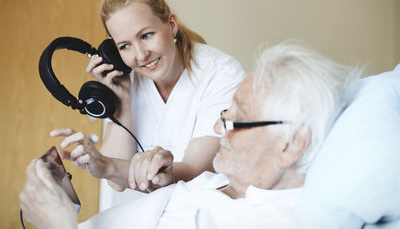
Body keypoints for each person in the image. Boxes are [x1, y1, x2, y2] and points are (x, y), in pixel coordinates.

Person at [20, 41, 360, 228]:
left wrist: (57, 224)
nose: (217, 127)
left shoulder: (269, 220)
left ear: (290, 145)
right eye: (224, 113)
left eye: (234, 121)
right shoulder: (224, 184)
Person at [51, 0, 245, 192]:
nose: (141, 55)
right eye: (125, 46)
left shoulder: (221, 73)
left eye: (146, 36)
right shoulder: (128, 79)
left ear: (171, 25)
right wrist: (122, 101)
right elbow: (115, 184)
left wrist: (107, 166)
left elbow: (194, 171)